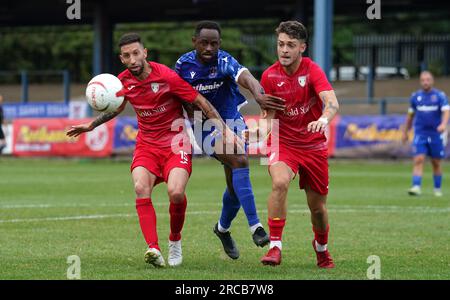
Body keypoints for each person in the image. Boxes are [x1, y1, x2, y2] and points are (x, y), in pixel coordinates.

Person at [67, 33, 239, 268]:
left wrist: (224, 130)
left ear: (145, 53)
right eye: (127, 56)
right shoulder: (121, 82)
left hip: (175, 144)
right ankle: (153, 248)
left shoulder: (167, 76)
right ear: (122, 58)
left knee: (176, 193)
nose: (133, 59)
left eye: (136, 53)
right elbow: (116, 107)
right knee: (140, 187)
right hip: (146, 146)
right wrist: (91, 124)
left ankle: (175, 241)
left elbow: (200, 101)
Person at [175, 21, 286, 260]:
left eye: (214, 43)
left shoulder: (224, 59)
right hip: (203, 125)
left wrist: (258, 95)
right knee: (240, 159)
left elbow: (245, 77)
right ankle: (256, 227)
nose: (209, 48)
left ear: (219, 44)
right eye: (203, 42)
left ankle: (222, 229)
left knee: (235, 187)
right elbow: (180, 98)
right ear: (194, 41)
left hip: (232, 119)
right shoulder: (183, 66)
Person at [258, 21, 339, 268]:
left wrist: (323, 119)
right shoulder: (269, 76)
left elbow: (331, 102)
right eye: (281, 44)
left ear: (302, 47)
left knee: (317, 209)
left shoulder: (312, 71)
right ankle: (275, 247)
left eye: (291, 45)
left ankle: (321, 248)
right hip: (283, 141)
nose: (284, 50)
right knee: (280, 182)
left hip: (313, 146)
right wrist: (258, 133)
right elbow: (268, 117)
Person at [402, 71, 449, 197]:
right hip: (420, 133)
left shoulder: (440, 96)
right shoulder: (415, 97)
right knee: (418, 159)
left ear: (432, 81)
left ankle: (437, 188)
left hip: (435, 134)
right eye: (423, 80)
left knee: (436, 162)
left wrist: (444, 124)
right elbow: (410, 116)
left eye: (428, 80)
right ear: (420, 82)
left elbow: (446, 111)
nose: (425, 82)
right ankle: (416, 186)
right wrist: (405, 131)